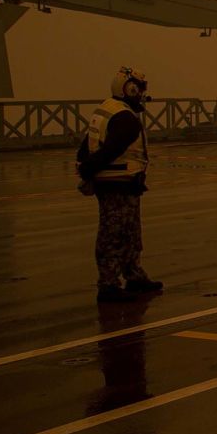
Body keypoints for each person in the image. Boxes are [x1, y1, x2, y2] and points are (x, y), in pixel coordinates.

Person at [75, 66, 162, 303]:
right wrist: (89, 169)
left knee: (130, 233)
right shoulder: (126, 119)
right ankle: (109, 285)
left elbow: (87, 146)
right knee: (115, 235)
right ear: (130, 88)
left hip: (120, 183)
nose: (142, 94)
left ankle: (134, 276)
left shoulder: (106, 110)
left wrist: (86, 168)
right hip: (118, 183)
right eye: (140, 88)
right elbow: (112, 149)